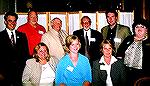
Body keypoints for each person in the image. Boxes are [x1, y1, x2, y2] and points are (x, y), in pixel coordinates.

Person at [116, 18, 150, 86]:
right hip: (126, 72)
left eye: (142, 27)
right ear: (134, 30)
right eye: (137, 27)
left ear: (146, 30)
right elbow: (119, 53)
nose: (139, 29)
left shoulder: (148, 42)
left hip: (142, 75)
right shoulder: (128, 39)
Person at [0, 12, 29, 86]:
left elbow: (26, 55)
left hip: (20, 74)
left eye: (14, 21)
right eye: (10, 21)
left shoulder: (22, 36)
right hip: (4, 75)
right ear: (5, 22)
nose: (12, 23)